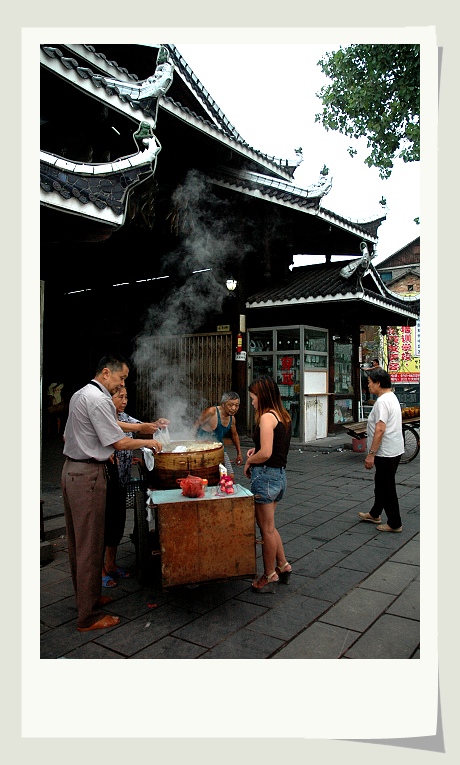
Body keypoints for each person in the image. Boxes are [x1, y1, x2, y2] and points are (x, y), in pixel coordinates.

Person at [61, 353, 164, 632]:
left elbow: (109, 426)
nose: (122, 384)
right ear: (106, 373)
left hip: (73, 470)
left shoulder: (82, 394)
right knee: (89, 545)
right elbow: (118, 442)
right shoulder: (99, 399)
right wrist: (148, 441)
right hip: (87, 476)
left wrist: (142, 427)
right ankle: (87, 617)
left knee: (80, 544)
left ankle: (89, 599)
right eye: (121, 378)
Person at [102, 389, 170, 588]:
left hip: (122, 479)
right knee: (103, 526)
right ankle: (101, 571)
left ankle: (111, 564)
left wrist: (158, 425)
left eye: (126, 396)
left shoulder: (124, 417)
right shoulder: (101, 417)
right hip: (105, 480)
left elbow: (142, 427)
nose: (124, 401)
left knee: (116, 523)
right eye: (119, 397)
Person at [244, 376, 292, 592]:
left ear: (262, 396)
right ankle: (283, 565)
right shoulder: (282, 415)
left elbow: (266, 453)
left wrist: (249, 461)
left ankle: (269, 573)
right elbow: (274, 446)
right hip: (279, 477)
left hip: (266, 477)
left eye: (253, 398)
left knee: (266, 530)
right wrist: (256, 452)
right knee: (270, 527)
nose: (252, 402)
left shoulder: (265, 418)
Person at [358, 367, 404, 532]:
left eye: (370, 383)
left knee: (387, 486)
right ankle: (375, 513)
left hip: (386, 452)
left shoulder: (383, 402)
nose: (368, 386)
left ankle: (395, 523)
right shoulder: (391, 397)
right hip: (394, 449)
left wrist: (371, 454)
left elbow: (380, 429)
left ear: (378, 383)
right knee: (381, 484)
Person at [194, 391, 243, 474]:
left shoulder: (232, 419)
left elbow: (234, 435)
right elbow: (196, 425)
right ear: (223, 404)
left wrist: (239, 453)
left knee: (230, 475)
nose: (234, 408)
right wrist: (192, 442)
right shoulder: (211, 412)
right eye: (230, 405)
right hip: (202, 448)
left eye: (236, 405)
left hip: (220, 448)